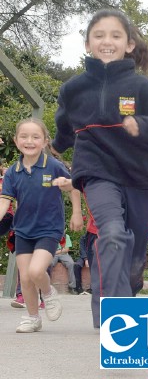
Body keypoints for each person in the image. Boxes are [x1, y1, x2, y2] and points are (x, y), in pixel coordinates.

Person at [51, 9, 148, 329]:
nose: (106, 41)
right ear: (87, 44)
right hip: (96, 172)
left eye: (114, 35)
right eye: (99, 35)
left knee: (134, 257)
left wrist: (143, 125)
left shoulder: (143, 88)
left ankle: (129, 286)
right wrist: (57, 146)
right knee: (110, 232)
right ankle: (115, 317)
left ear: (129, 44)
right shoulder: (73, 89)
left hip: (139, 175)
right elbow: (64, 126)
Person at [0, 118, 82, 333]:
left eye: (35, 137)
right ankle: (32, 317)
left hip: (49, 228)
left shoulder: (53, 165)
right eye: (24, 137)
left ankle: (48, 293)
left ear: (45, 141)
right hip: (23, 230)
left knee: (37, 271)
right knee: (25, 277)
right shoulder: (12, 172)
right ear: (16, 141)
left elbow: (73, 186)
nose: (29, 141)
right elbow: (5, 200)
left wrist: (76, 212)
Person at [73, 221, 97, 295]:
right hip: (83, 256)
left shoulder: (95, 237)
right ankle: (78, 288)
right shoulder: (82, 238)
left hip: (92, 256)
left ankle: (93, 288)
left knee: (94, 266)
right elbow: (82, 249)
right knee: (77, 265)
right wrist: (86, 259)